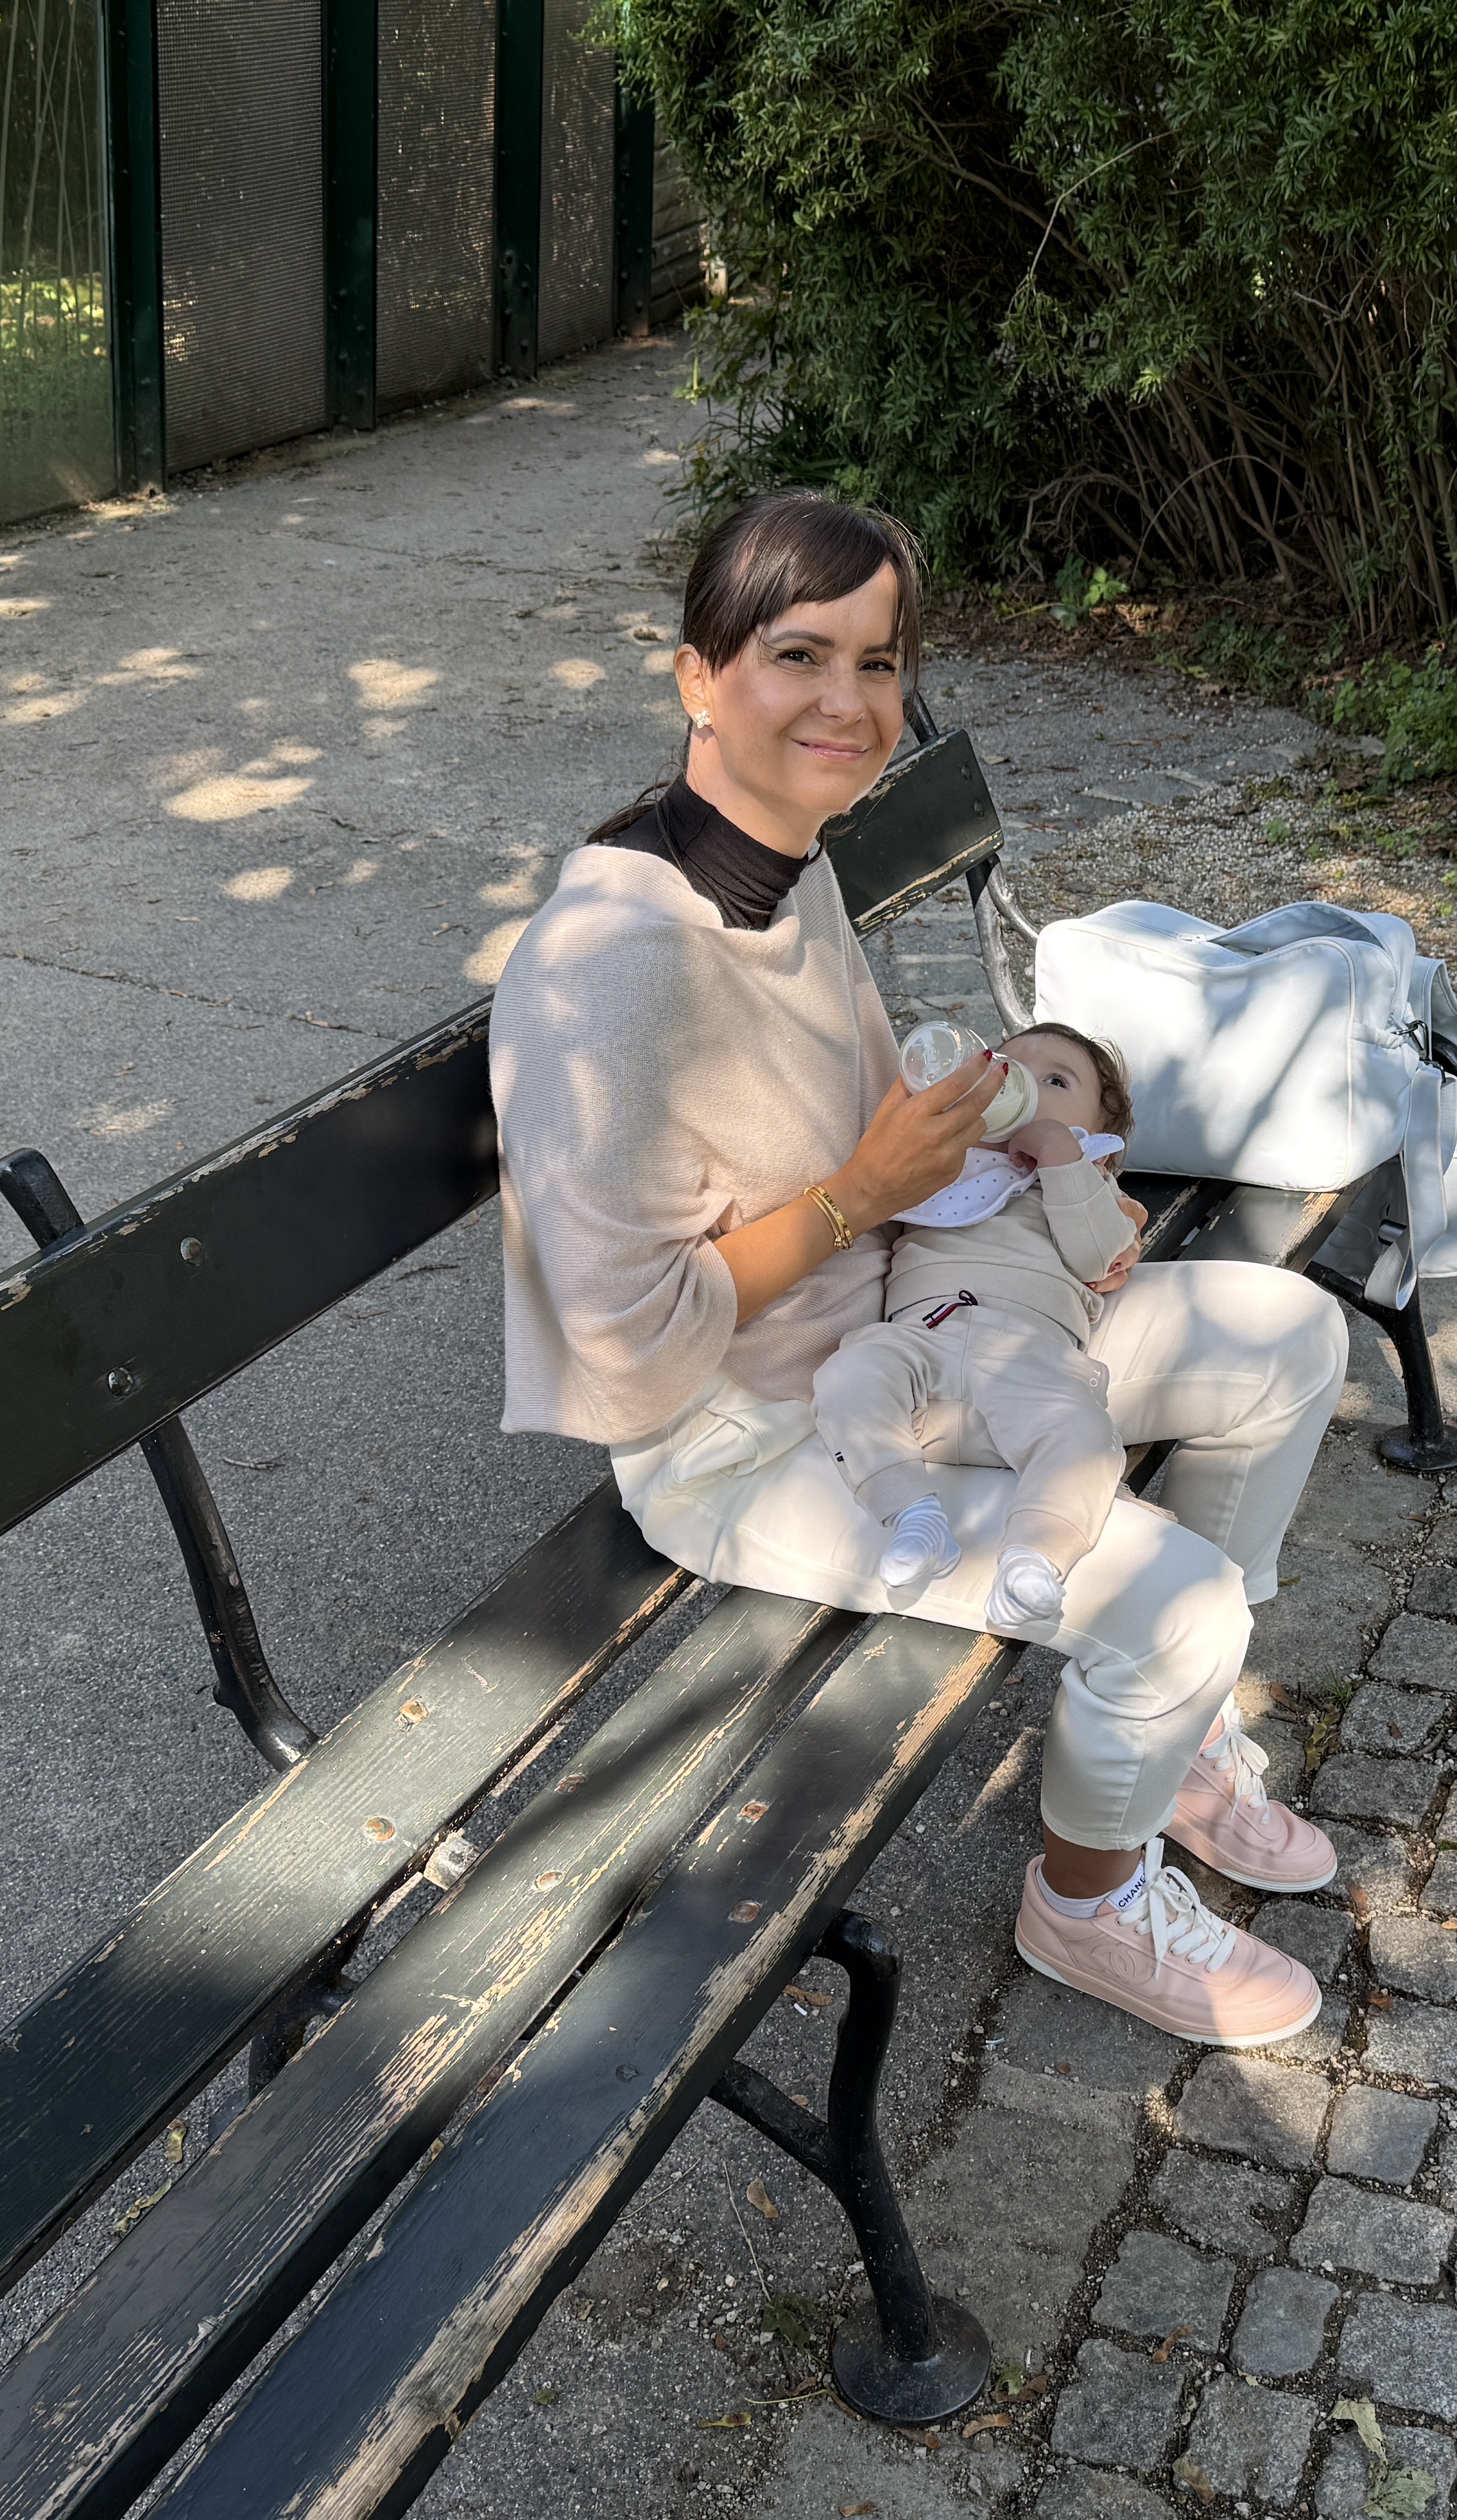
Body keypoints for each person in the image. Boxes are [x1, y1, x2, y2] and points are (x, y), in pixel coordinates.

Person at [486, 488, 1354, 2050]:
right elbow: (626, 1349)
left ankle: (1178, 1743)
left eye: (878, 662)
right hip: (755, 1436)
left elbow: (885, 1125)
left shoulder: (790, 863)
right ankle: (1089, 1904)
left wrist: (1040, 1162)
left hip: (923, 1312)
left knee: (1284, 1337)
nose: (849, 701)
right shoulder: (607, 975)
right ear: (698, 678)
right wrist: (859, 1197)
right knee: (1176, 1597)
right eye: (798, 655)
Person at [811, 1021, 1138, 1632]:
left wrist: (1063, 1158)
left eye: (1057, 1081)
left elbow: (1099, 1256)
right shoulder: (944, 1164)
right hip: (921, 1344)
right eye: (1006, 1068)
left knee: (1087, 1436)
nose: (1025, 1083)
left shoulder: (1090, 1181)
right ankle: (913, 1516)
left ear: (1101, 1134)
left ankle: (1035, 1559)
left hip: (1031, 1361)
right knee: (846, 1375)